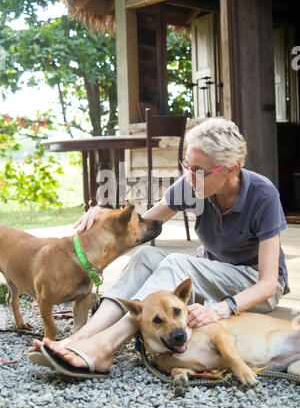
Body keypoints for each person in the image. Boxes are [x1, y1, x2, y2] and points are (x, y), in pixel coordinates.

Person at [29, 118, 289, 375]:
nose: (188, 177)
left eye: (198, 170)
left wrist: (221, 309)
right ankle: (82, 337)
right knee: (146, 255)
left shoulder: (262, 195)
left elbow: (267, 284)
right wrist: (105, 216)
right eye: (186, 165)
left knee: (177, 263)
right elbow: (141, 227)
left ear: (231, 169)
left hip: (253, 284)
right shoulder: (193, 184)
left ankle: (104, 348)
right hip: (211, 271)